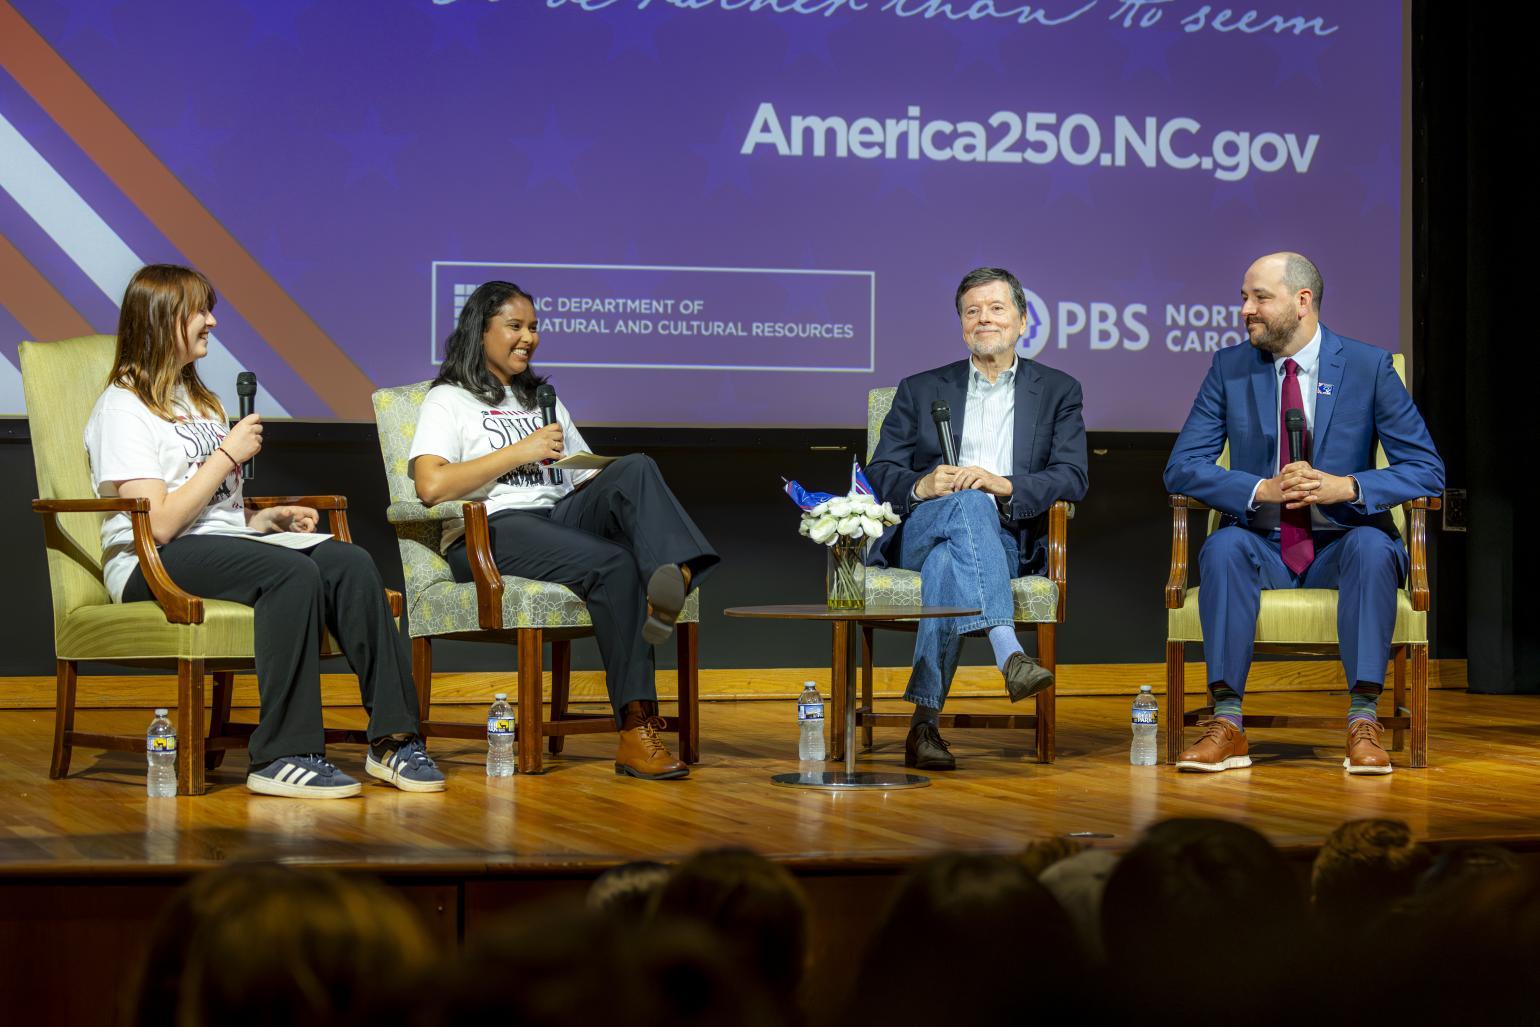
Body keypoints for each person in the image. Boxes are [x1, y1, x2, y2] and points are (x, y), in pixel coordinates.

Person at [85, 264, 441, 798]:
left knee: (349, 562)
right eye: (200, 311)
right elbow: (158, 524)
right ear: (164, 320)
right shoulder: (123, 407)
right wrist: (227, 453)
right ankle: (282, 753)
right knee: (290, 573)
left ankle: (393, 739)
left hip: (217, 545)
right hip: (149, 563)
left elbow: (210, 510)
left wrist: (261, 520)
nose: (212, 322)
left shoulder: (200, 401)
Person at [409, 280, 718, 780]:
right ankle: (635, 728)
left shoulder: (541, 398)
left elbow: (582, 475)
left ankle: (675, 572)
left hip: (553, 518)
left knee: (634, 468)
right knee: (615, 565)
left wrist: (610, 488)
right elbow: (431, 485)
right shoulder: (449, 400)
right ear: (480, 332)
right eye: (515, 326)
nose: (528, 338)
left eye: (533, 328)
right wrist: (520, 451)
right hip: (490, 530)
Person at [1164, 252, 1444, 775]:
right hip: (1261, 542)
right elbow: (1181, 469)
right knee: (1222, 547)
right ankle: (1227, 723)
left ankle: (1363, 721)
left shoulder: (1368, 366)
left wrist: (1347, 485)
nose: (1246, 309)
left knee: (1373, 548)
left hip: (1344, 541)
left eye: (1259, 298)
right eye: (1243, 298)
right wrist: (1260, 489)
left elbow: (1427, 470)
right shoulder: (1229, 368)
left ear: (1302, 301)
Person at [866, 267, 1088, 771]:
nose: (983, 319)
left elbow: (1073, 476)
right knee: (962, 502)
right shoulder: (921, 389)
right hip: (924, 525)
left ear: (1022, 320)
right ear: (961, 324)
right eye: (972, 311)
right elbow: (881, 471)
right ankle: (1008, 651)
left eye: (995, 308)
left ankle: (923, 724)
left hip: (1005, 533)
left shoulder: (1057, 390)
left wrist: (1003, 484)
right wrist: (924, 485)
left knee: (949, 563)